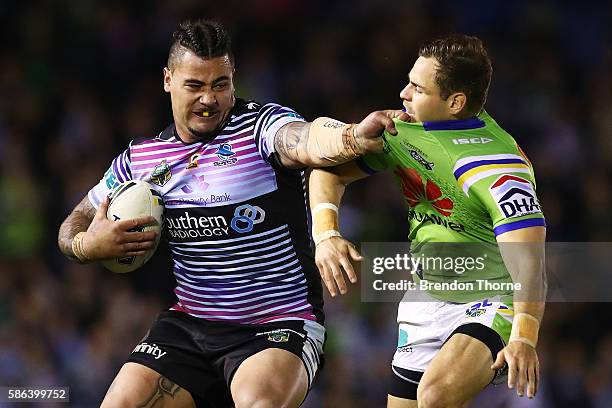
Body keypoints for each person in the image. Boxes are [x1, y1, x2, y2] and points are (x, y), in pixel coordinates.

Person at [58, 19, 408, 408]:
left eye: (220, 84)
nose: (209, 99)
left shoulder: (259, 127)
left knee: (258, 403)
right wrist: (86, 245)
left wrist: (353, 135)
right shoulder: (140, 159)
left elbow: (306, 139)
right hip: (190, 324)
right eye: (195, 85)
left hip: (278, 323)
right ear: (168, 80)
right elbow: (71, 225)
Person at [309, 34, 546, 408]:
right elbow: (328, 172)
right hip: (425, 297)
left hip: (491, 297)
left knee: (434, 396)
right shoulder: (401, 130)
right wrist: (327, 234)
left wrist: (524, 338)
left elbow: (530, 265)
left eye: (417, 88)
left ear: (454, 102)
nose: (403, 94)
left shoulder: (499, 168)